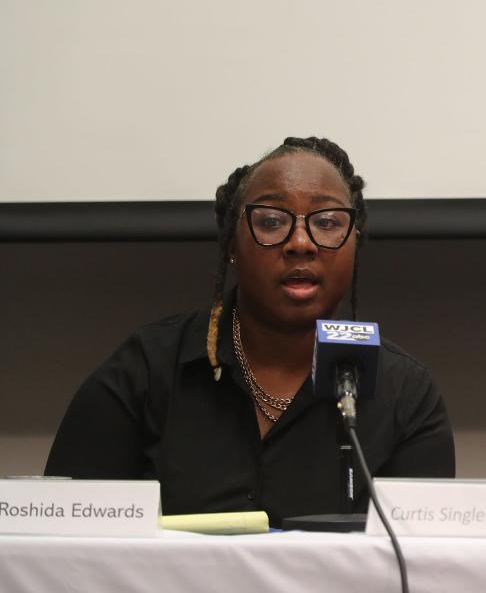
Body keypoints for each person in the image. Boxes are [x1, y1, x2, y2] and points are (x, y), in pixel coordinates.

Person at [46, 137, 455, 526]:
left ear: (354, 242)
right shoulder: (146, 371)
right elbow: (61, 538)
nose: (300, 243)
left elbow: (423, 564)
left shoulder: (405, 394)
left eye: (328, 221)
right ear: (231, 243)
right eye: (272, 221)